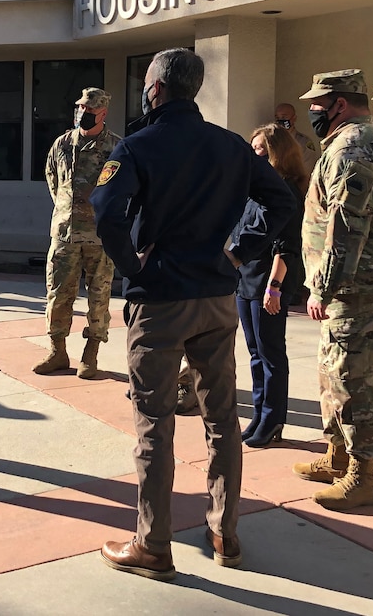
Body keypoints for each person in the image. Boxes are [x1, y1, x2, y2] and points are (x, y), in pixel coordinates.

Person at [91, 48, 295, 580]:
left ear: (155, 89)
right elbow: (283, 202)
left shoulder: (137, 146)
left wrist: (131, 266)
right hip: (216, 297)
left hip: (159, 302)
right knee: (222, 419)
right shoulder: (229, 146)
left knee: (154, 423)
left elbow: (105, 211)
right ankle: (225, 533)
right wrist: (241, 250)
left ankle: (153, 546)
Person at [292, 69, 373, 512]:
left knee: (358, 379)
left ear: (339, 103)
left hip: (357, 285)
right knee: (334, 373)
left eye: (317, 105)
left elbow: (347, 227)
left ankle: (363, 475)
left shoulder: (353, 147)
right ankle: (337, 456)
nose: (312, 112)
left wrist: (324, 286)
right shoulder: (359, 140)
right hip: (352, 286)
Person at [231, 123, 308, 449]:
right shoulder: (255, 189)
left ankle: (274, 419)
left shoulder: (285, 191)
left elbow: (287, 246)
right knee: (255, 353)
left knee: (271, 353)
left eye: (260, 149)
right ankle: (260, 415)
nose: (253, 154)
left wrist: (275, 287)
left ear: (277, 152)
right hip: (246, 280)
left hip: (268, 282)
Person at [35, 87, 120, 379]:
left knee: (99, 296)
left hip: (99, 237)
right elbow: (53, 182)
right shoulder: (61, 144)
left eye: (90, 110)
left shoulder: (116, 148)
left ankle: (91, 353)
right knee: (57, 293)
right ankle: (57, 351)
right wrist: (66, 213)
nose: (83, 114)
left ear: (103, 113)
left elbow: (121, 192)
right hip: (64, 233)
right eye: (80, 108)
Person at [274, 102, 321, 172]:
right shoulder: (273, 140)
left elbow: (307, 169)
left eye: (284, 117)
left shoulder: (304, 142)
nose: (280, 120)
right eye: (277, 117)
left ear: (294, 118)